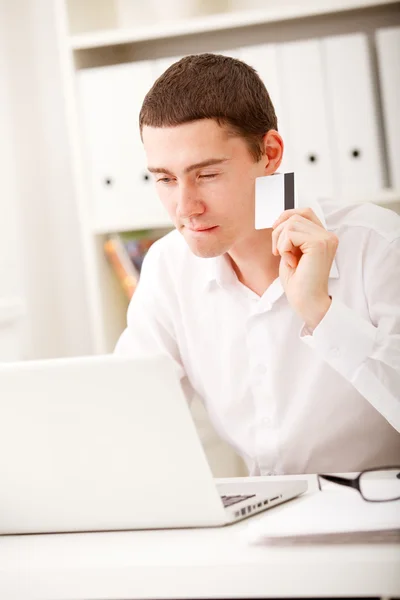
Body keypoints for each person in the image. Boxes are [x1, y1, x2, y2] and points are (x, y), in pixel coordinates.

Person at [115, 53, 400, 475]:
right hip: (260, 522)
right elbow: (129, 414)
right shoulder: (169, 266)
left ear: (269, 153)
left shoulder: (378, 245)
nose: (186, 207)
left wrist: (322, 314)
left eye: (207, 175)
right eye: (165, 179)